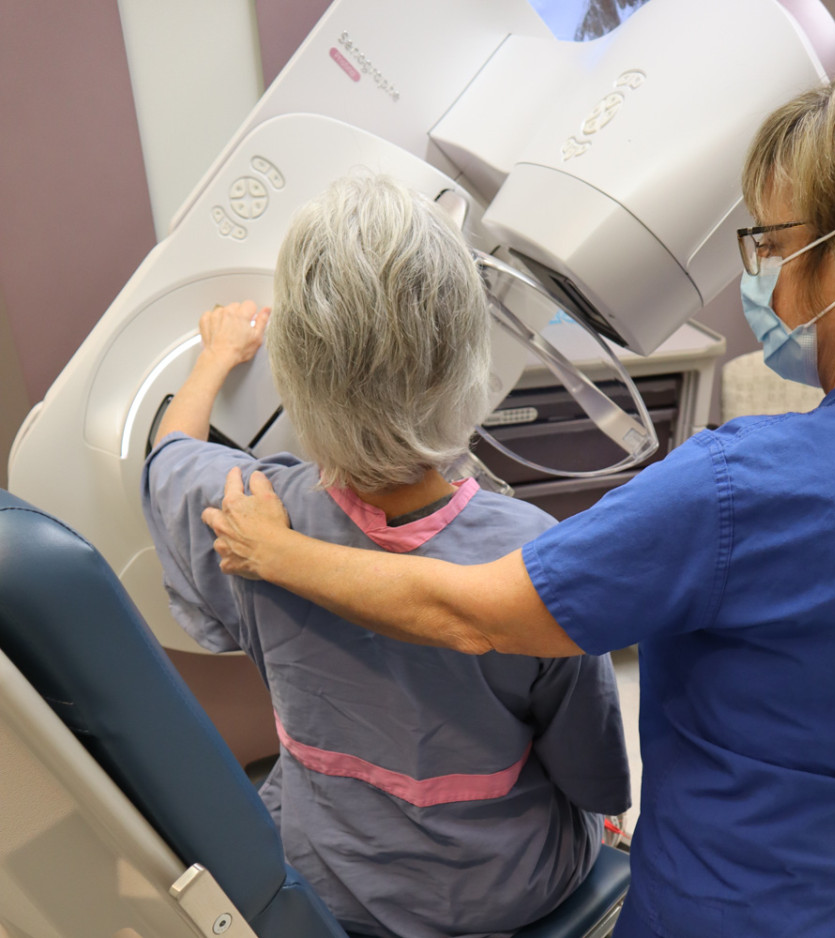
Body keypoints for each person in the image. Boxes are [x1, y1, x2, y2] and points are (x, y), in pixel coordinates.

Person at [201, 28, 835, 938]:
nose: (764, 281)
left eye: (770, 246)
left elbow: (473, 615)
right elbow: (593, 772)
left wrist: (278, 553)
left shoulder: (744, 490)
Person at [141, 174, 630, 938]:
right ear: (466, 357)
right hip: (506, 888)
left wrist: (217, 356)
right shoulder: (532, 552)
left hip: (328, 874)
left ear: (298, 368)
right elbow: (591, 773)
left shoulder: (246, 516)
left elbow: (167, 455)